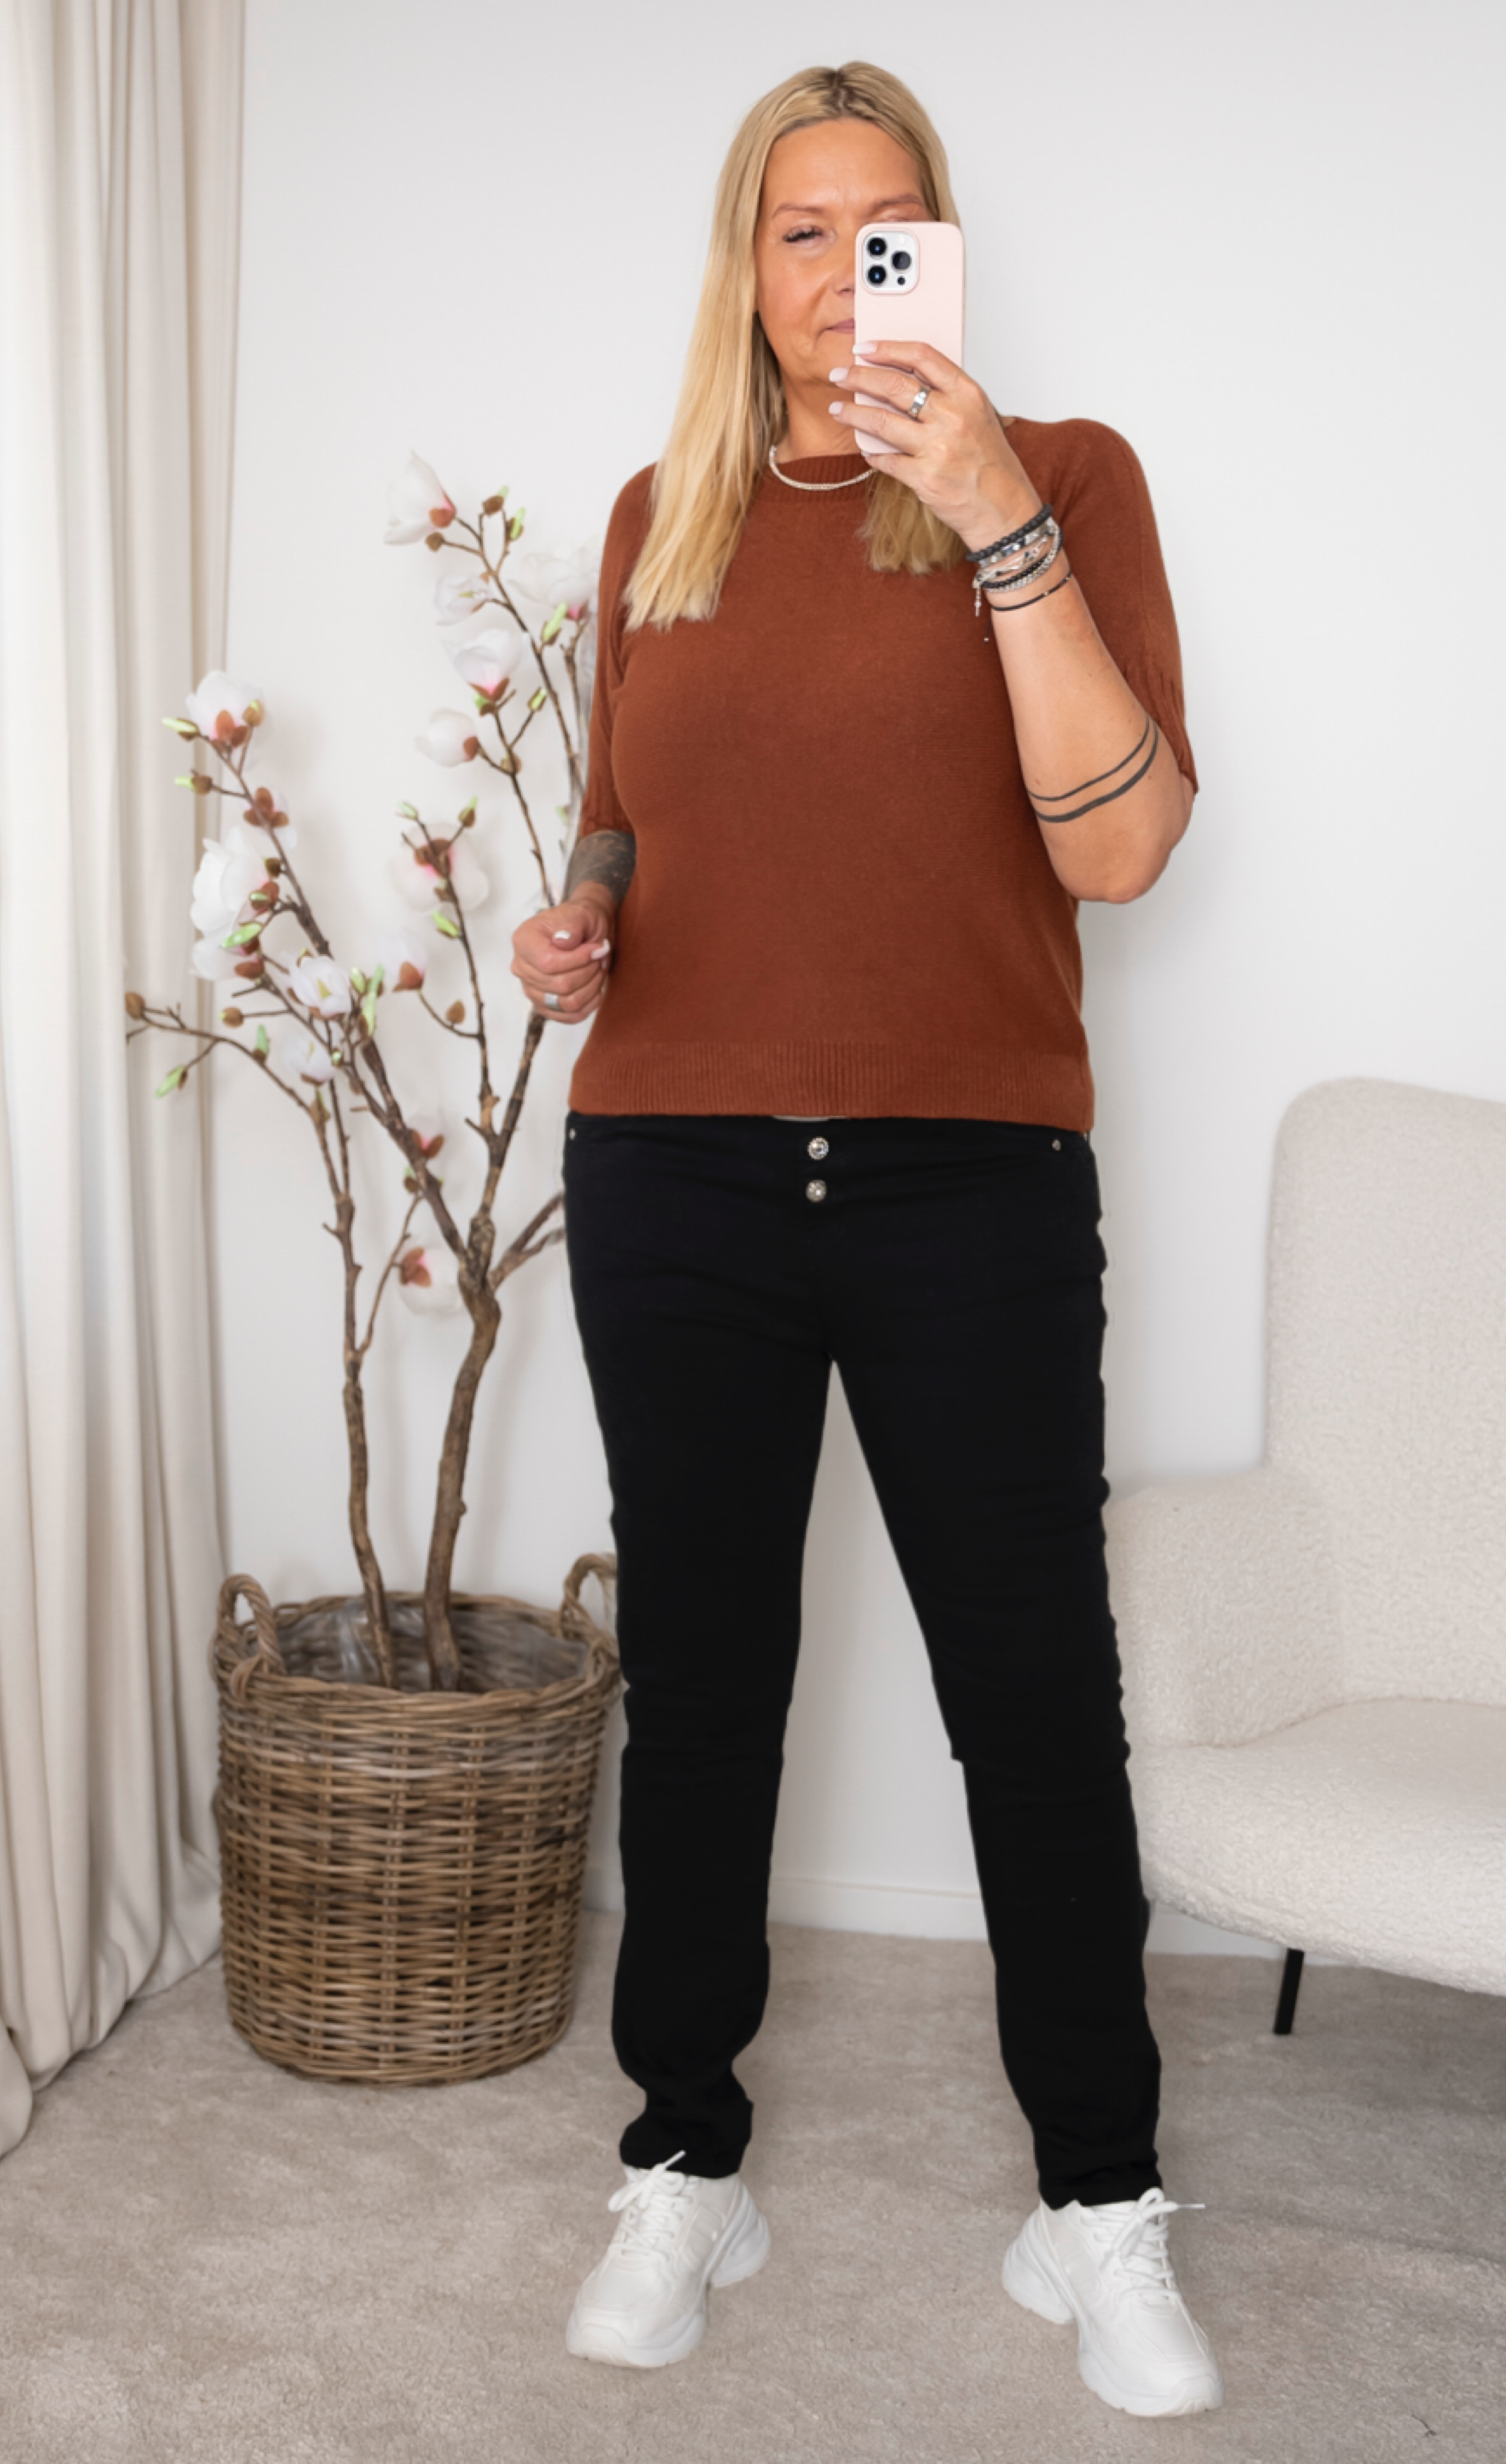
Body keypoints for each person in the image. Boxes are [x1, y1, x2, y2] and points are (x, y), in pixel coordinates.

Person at [509, 60, 1220, 2423]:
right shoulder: (663, 519)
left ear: (944, 249)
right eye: (799, 232)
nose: (841, 274)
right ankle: (682, 2157)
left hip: (968, 1177)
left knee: (1032, 1695)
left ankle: (1097, 2199)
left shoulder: (1066, 477)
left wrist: (991, 506)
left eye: (886, 225)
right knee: (709, 1684)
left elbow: (1121, 851)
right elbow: (623, 820)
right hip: (676, 1171)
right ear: (745, 268)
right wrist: (583, 924)